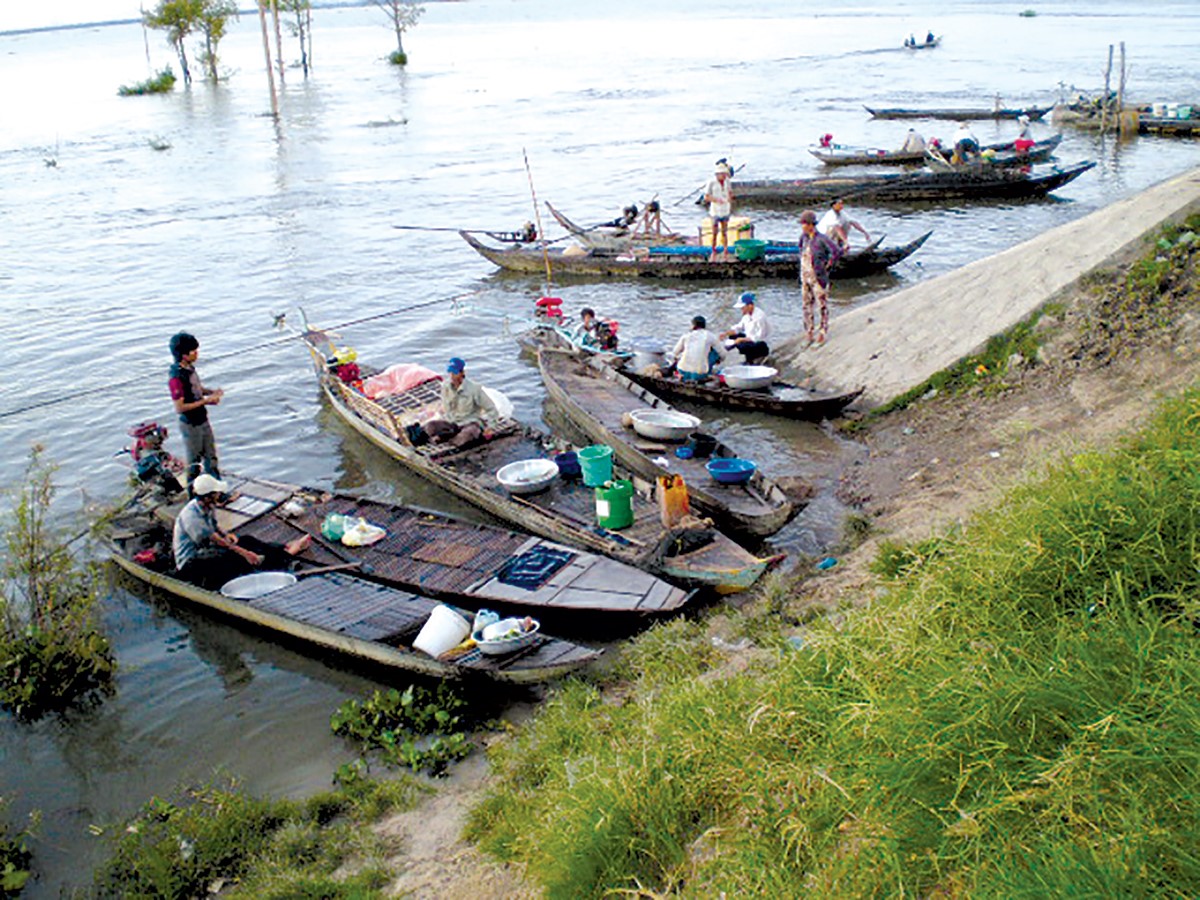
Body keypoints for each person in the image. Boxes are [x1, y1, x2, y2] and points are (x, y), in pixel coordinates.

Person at [172, 473, 312, 590]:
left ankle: (283, 549)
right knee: (236, 558)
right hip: (191, 563)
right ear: (208, 496)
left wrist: (227, 534)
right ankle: (284, 556)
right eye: (216, 493)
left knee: (246, 540)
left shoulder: (207, 506)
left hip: (207, 548)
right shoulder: (192, 517)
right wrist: (245, 553)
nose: (219, 495)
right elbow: (216, 540)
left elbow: (215, 527)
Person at [168, 331, 223, 490]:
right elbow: (180, 407)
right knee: (194, 463)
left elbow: (195, 389)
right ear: (184, 355)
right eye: (194, 351)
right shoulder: (176, 378)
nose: (197, 354)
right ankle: (194, 496)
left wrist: (210, 393)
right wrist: (206, 401)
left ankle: (217, 491)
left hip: (202, 420)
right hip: (191, 425)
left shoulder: (190, 369)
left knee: (211, 458)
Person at [423, 357, 501, 448]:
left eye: (455, 373)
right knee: (430, 426)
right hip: (452, 423)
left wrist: (490, 427)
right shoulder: (445, 386)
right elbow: (445, 407)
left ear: (462, 373)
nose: (452, 376)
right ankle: (447, 437)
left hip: (469, 423)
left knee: (468, 433)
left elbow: (491, 409)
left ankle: (451, 443)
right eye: (451, 373)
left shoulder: (474, 389)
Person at [798, 209, 843, 347]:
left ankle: (822, 333)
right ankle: (809, 332)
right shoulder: (803, 238)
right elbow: (800, 249)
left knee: (821, 305)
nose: (802, 227)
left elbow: (836, 251)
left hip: (818, 277)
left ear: (811, 224)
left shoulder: (822, 239)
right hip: (805, 277)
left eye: (804, 224)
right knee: (806, 305)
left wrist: (828, 265)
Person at [670, 315, 727, 381]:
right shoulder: (710, 336)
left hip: (682, 371)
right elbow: (723, 354)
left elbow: (675, 352)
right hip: (699, 374)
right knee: (714, 352)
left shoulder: (686, 336)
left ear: (693, 325)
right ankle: (708, 370)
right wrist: (719, 360)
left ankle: (680, 375)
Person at [721, 292, 771, 365]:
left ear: (750, 306)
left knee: (742, 345)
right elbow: (739, 327)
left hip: (760, 344)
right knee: (732, 337)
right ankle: (748, 358)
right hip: (750, 338)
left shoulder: (760, 317)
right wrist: (726, 334)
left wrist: (741, 339)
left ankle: (753, 358)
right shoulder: (747, 315)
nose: (742, 310)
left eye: (743, 308)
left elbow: (758, 337)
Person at [703, 160, 734, 262]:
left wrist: (729, 198)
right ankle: (713, 250)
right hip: (715, 211)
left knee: (725, 231)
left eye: (725, 174)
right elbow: (706, 197)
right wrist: (716, 200)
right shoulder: (711, 183)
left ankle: (725, 250)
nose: (724, 176)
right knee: (715, 232)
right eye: (722, 174)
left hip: (725, 209)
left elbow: (730, 192)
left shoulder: (727, 182)